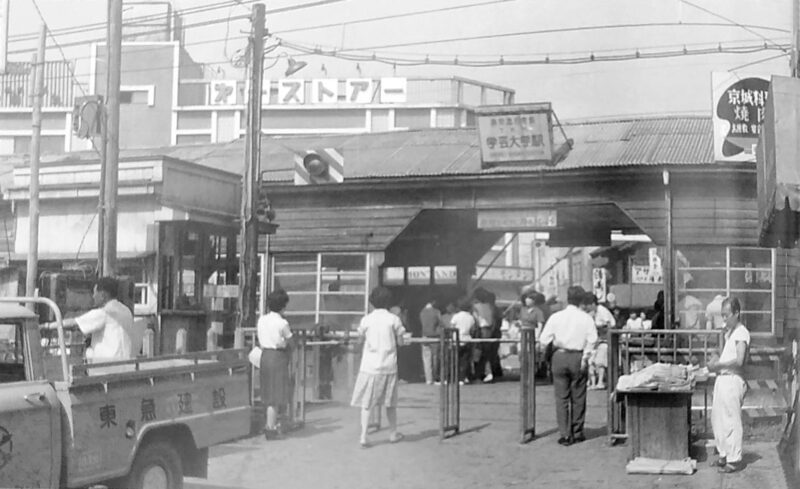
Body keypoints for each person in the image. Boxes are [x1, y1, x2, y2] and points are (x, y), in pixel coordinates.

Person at [539, 286, 598, 446]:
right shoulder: (586, 319)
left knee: (561, 397)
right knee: (579, 396)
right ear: (581, 300)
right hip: (578, 356)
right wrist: (586, 356)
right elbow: (593, 339)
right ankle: (577, 432)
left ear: (567, 298)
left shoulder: (556, 317)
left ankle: (565, 434)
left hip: (559, 356)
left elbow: (544, 339)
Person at [351, 286, 406, 448]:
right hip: (388, 365)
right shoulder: (394, 319)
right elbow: (401, 342)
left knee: (366, 403)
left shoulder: (366, 320)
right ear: (389, 302)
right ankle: (393, 433)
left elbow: (359, 341)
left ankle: (364, 436)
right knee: (390, 403)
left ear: (372, 302)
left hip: (369, 366)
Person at [44, 276, 135, 363]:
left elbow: (73, 323)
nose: (93, 296)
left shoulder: (104, 313)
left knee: (87, 352)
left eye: (95, 293)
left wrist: (45, 326)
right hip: (125, 362)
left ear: (103, 295)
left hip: (106, 365)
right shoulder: (126, 310)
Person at [708, 297, 750, 473]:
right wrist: (716, 358)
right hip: (723, 379)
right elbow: (726, 355)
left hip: (733, 379)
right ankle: (723, 454)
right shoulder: (730, 333)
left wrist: (719, 365)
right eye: (722, 315)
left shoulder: (741, 333)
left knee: (731, 420)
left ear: (736, 313)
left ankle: (734, 459)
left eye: (726, 315)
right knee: (718, 419)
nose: (724, 319)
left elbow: (739, 360)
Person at [257, 289, 294, 439]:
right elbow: (291, 341)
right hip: (277, 357)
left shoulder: (262, 320)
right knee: (275, 395)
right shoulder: (282, 323)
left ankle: (270, 424)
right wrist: (286, 344)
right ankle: (270, 428)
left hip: (264, 356)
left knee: (268, 393)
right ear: (283, 306)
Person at [584, 293, 613, 390]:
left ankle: (600, 382)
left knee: (600, 360)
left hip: (606, 340)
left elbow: (609, 325)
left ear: (592, 304)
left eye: (587, 305)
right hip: (598, 341)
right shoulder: (593, 313)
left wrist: (599, 327)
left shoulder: (602, 310)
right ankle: (592, 382)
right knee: (592, 360)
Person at [450, 297, 476, 384]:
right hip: (467, 339)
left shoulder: (456, 316)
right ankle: (462, 378)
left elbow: (452, 328)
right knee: (465, 361)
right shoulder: (471, 317)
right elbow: (473, 329)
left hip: (456, 340)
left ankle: (454, 377)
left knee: (455, 360)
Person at [419, 299, 442, 385]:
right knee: (435, 358)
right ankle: (436, 378)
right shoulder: (436, 312)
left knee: (426, 358)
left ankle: (428, 379)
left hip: (425, 336)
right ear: (433, 302)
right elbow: (441, 323)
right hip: (434, 336)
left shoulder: (422, 312)